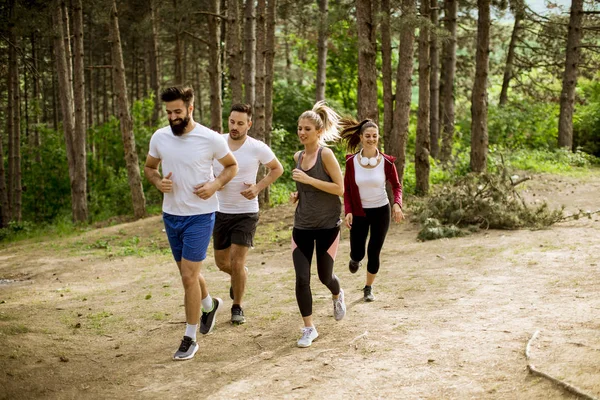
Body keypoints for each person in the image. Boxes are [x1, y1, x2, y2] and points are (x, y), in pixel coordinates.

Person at [144, 86, 238, 361]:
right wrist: (157, 181)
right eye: (169, 112)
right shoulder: (160, 137)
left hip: (201, 214)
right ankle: (210, 304)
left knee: (187, 277)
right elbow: (149, 167)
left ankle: (190, 337)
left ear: (190, 109)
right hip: (171, 215)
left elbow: (231, 166)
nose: (173, 117)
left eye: (178, 111)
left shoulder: (209, 138)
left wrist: (215, 184)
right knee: (191, 274)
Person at [212, 103, 284, 325]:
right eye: (232, 122)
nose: (235, 126)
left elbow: (277, 169)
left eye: (240, 123)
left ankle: (237, 307)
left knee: (237, 261)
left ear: (249, 124)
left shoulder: (257, 147)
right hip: (219, 210)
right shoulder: (217, 143)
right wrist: (214, 182)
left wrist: (257, 187)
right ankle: (240, 276)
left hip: (246, 212)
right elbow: (203, 165)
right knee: (222, 263)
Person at [290, 101, 346, 348]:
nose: (302, 133)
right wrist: (298, 194)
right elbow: (304, 187)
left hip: (327, 225)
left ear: (319, 132)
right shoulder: (297, 156)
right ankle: (309, 328)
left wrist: (308, 181)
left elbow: (340, 189)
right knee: (302, 278)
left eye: (307, 129)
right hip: (302, 225)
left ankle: (337, 293)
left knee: (325, 276)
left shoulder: (326, 155)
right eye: (299, 128)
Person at [339, 118, 404, 302]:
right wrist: (348, 211)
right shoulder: (352, 162)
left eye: (374, 136)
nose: (371, 139)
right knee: (358, 252)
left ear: (378, 138)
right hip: (360, 212)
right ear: (361, 137)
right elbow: (348, 189)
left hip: (381, 211)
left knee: (374, 250)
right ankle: (355, 258)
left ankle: (368, 287)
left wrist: (397, 204)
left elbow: (396, 187)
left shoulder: (386, 162)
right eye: (367, 136)